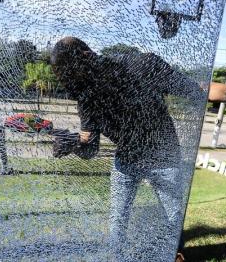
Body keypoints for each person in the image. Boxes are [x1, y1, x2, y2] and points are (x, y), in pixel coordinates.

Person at [50, 37, 209, 261]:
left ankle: (174, 255)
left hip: (165, 158)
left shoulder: (144, 65)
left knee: (172, 219)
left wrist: (219, 91)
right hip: (126, 160)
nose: (71, 85)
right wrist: (73, 143)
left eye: (72, 75)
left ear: (87, 57)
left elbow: (194, 92)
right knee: (117, 221)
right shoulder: (86, 96)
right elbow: (90, 149)